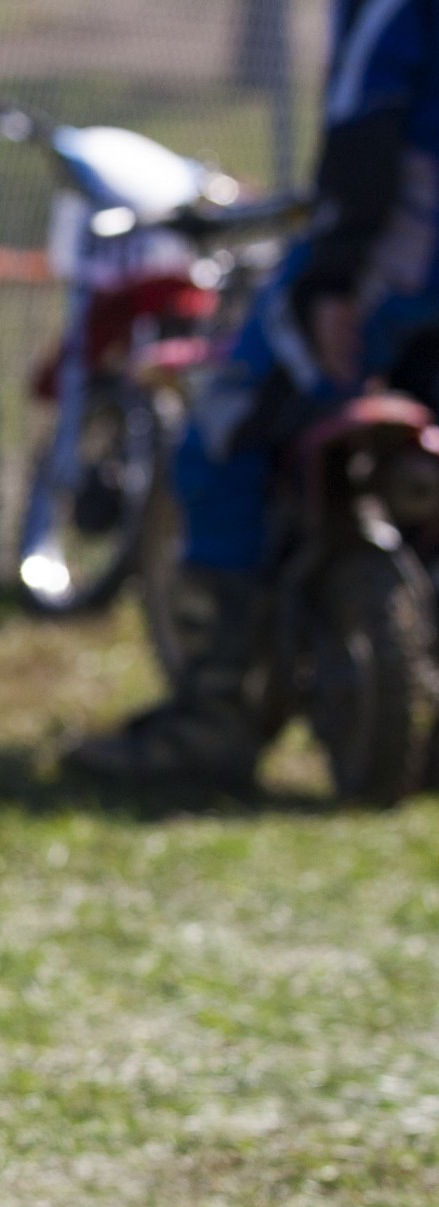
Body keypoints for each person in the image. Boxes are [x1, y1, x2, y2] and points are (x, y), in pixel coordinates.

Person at [71, 0, 439, 786]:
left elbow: (368, 126)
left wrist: (335, 276)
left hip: (394, 269)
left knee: (224, 434)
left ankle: (216, 715)